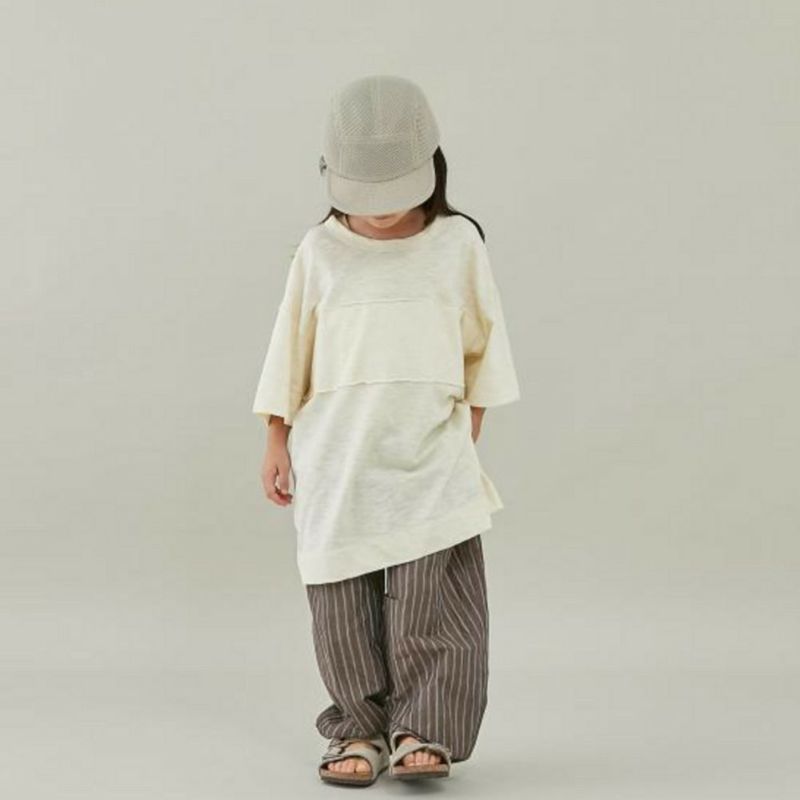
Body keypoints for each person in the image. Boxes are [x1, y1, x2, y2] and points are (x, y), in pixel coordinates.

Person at [251, 74, 521, 786]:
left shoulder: (458, 244)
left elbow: (483, 351)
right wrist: (276, 439)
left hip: (429, 457)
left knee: (434, 604)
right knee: (342, 605)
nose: (376, 212)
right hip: (335, 459)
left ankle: (423, 728)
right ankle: (357, 729)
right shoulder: (319, 251)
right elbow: (289, 350)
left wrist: (462, 439)